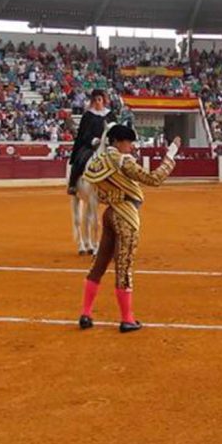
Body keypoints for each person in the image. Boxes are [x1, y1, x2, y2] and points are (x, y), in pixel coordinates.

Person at [77, 124, 181, 332]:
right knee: (123, 267)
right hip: (125, 215)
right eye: (129, 142)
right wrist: (171, 153)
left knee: (99, 265)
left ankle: (85, 314)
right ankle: (127, 319)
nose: (131, 147)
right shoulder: (123, 161)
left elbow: (94, 189)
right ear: (117, 141)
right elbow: (155, 178)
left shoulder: (98, 161)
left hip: (108, 214)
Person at [67, 90, 117, 195]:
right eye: (95, 100)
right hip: (91, 144)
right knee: (81, 159)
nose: (97, 102)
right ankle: (73, 184)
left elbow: (115, 129)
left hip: (108, 143)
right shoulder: (88, 115)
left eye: (99, 99)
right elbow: (83, 132)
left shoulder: (110, 115)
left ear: (104, 100)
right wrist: (93, 140)